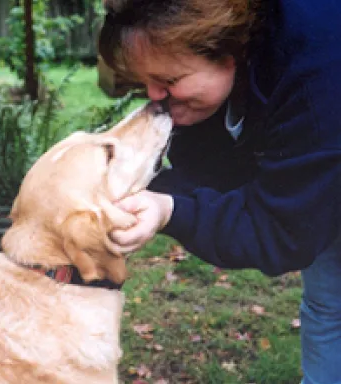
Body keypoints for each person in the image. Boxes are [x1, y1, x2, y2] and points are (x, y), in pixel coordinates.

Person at [99, 1, 341, 382]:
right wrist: (151, 193)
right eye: (145, 81)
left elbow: (281, 231)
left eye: (169, 80)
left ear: (229, 51)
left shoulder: (317, 75)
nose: (155, 97)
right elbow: (210, 171)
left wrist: (170, 210)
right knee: (328, 303)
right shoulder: (221, 66)